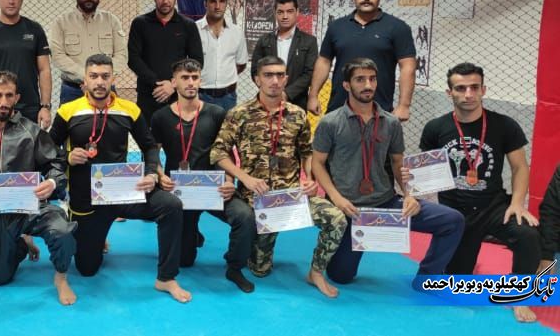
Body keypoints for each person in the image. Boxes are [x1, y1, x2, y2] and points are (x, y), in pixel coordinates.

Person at [50, 54, 191, 303]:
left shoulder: (129, 109)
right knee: (87, 269)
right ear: (85, 81)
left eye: (105, 76)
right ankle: (98, 236)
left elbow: (149, 146)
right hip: (87, 201)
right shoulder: (68, 111)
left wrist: (151, 173)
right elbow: (48, 151)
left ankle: (166, 278)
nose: (100, 82)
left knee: (171, 205)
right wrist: (68, 157)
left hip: (124, 193)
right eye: (94, 76)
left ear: (113, 78)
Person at [311, 58, 463, 285]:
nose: (368, 85)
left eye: (372, 79)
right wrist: (336, 198)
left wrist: (410, 195)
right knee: (340, 276)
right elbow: (317, 163)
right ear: (346, 85)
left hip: (386, 203)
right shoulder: (330, 123)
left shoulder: (391, 122)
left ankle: (427, 279)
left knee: (452, 220)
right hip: (350, 209)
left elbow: (397, 162)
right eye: (360, 79)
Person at [409, 62, 540, 322]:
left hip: (493, 207)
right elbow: (424, 171)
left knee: (528, 234)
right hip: (456, 213)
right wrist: (413, 192)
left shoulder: (504, 125)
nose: (468, 94)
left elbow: (520, 167)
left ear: (483, 90)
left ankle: (520, 296)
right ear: (450, 93)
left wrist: (517, 203)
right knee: (459, 283)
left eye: (474, 87)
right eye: (461, 88)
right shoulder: (436, 128)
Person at [214, 56, 346, 297]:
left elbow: (307, 152)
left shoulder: (298, 114)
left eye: (279, 75)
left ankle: (316, 273)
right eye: (268, 75)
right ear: (257, 79)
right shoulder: (239, 113)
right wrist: (244, 178)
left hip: (291, 197)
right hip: (258, 200)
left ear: (286, 79)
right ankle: (252, 250)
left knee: (336, 219)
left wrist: (309, 179)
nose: (274, 81)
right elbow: (219, 152)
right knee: (259, 270)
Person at [0, 70, 77, 305]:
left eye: (9, 95)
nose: (3, 102)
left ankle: (61, 277)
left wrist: (52, 182)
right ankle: (21, 244)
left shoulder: (31, 130)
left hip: (31, 206)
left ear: (17, 97)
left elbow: (56, 162)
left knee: (62, 231)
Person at [150, 59, 257, 293]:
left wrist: (229, 181)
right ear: (174, 82)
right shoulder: (160, 117)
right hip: (179, 192)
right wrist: (159, 175)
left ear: (200, 80)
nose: (190, 82)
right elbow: (152, 154)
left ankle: (234, 267)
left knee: (245, 216)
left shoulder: (217, 113)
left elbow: (228, 152)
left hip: (213, 189)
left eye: (195, 77)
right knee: (185, 261)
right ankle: (191, 233)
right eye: (185, 78)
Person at [307, 0, 416, 120]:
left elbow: (408, 66)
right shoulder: (336, 27)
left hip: (378, 111)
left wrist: (404, 105)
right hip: (339, 109)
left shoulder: (397, 27)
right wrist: (313, 95)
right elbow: (324, 61)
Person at [128, 0, 203, 123]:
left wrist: (173, 84)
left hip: (177, 96)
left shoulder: (188, 25)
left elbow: (197, 61)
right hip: (149, 94)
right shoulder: (140, 23)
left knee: (178, 137)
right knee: (148, 137)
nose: (165, 0)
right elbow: (133, 58)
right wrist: (157, 83)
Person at [48, 0, 128, 105]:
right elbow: (58, 56)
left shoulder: (111, 20)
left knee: (110, 120)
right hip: (72, 90)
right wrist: (87, 77)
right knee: (69, 120)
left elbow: (121, 55)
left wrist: (100, 79)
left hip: (106, 89)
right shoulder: (61, 22)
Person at [249, 0, 318, 110]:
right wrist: (271, 91)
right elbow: (255, 70)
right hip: (267, 102)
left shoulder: (309, 41)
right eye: (280, 12)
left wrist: (286, 94)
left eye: (289, 11)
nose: (285, 16)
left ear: (297, 12)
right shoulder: (264, 40)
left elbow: (309, 74)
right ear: (275, 13)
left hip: (297, 103)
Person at [195, 0, 246, 111]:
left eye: (222, 1)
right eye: (213, 1)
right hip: (200, 95)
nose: (217, 6)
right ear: (205, 4)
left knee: (227, 125)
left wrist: (224, 77)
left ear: (227, 3)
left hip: (228, 97)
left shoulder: (236, 32)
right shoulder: (193, 30)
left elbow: (241, 64)